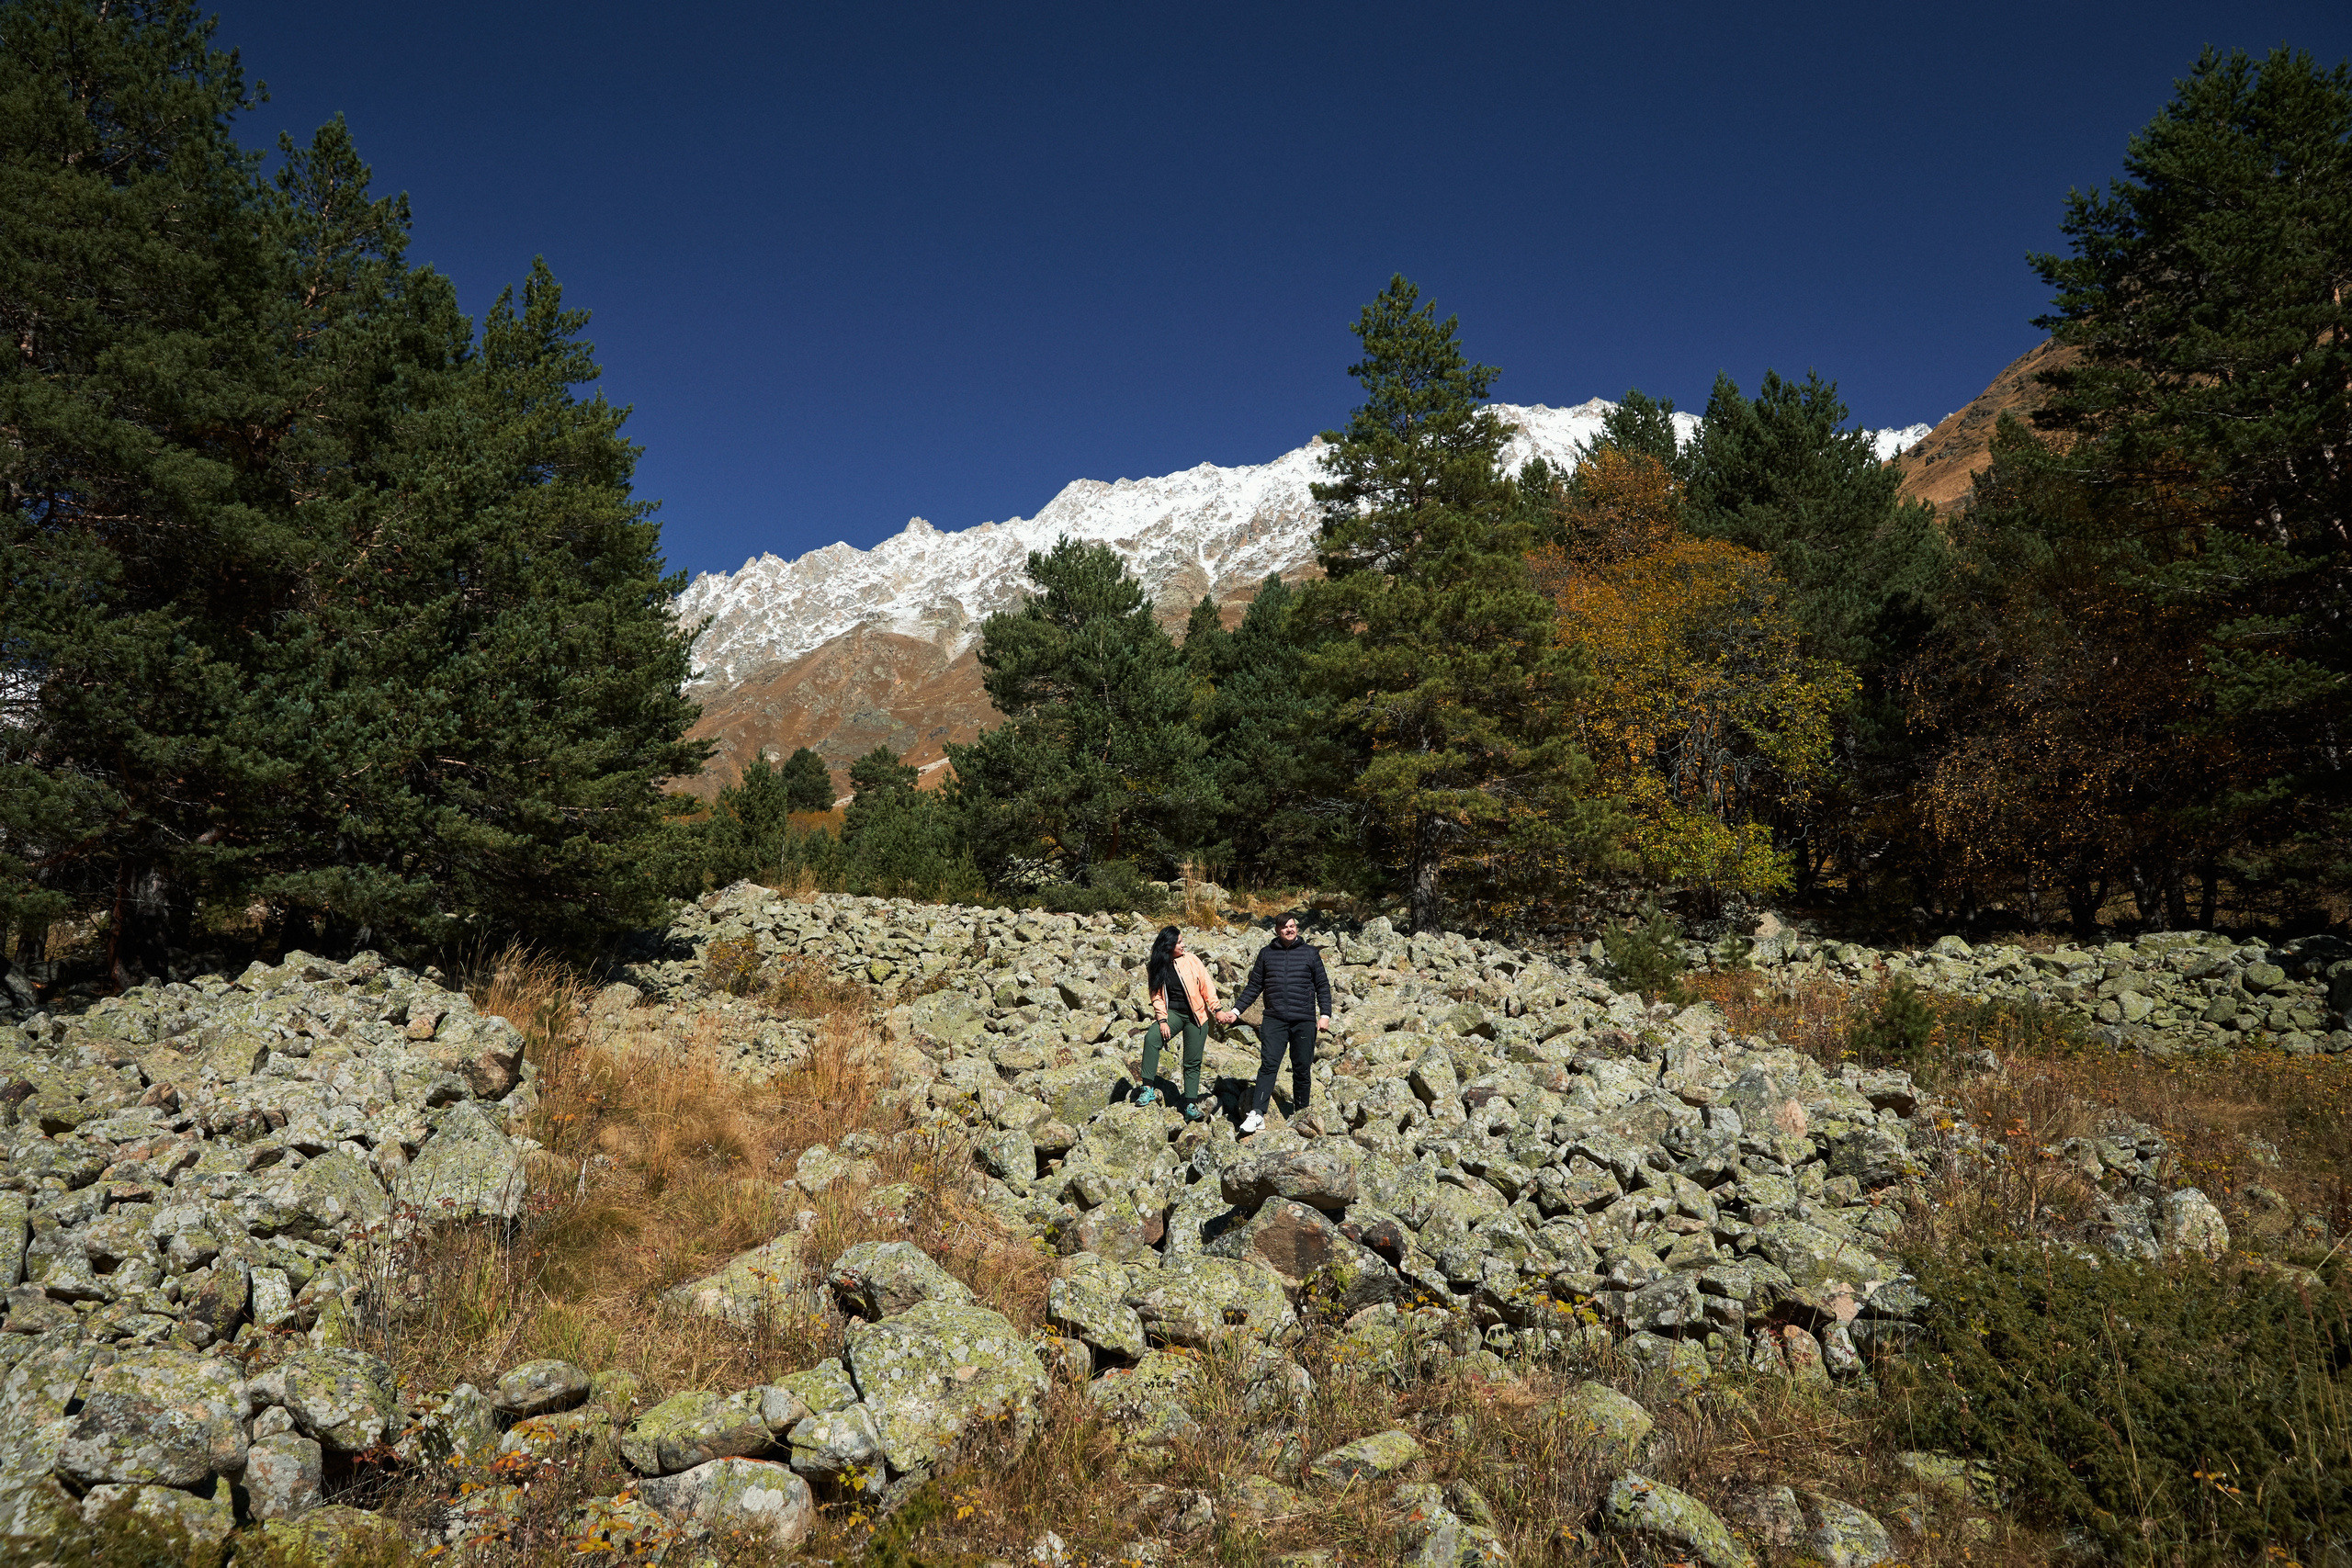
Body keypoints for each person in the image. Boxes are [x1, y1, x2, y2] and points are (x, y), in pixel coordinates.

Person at [1219, 912, 1332, 1134]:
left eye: (1292, 926)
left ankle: (1301, 1113)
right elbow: (1253, 987)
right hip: (1274, 1020)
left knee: (1301, 1068)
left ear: (1296, 927)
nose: (1290, 930)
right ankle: (1257, 1114)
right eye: (1285, 928)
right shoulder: (1266, 954)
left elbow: (1323, 986)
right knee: (1269, 1065)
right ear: (1277, 931)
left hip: (1304, 1020)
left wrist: (1325, 1015)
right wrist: (1235, 1011)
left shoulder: (1310, 954)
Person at [1139, 925, 1219, 1120]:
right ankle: (1147, 1089)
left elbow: (1207, 986)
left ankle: (1190, 1105)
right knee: (1152, 1038)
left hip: (1197, 1016)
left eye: (1182, 941)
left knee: (1192, 1061)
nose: (1183, 945)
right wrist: (1163, 1020)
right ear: (1168, 945)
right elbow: (1156, 996)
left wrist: (1216, 1009)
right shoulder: (1157, 965)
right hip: (1173, 1013)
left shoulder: (1192, 960)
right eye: (1179, 942)